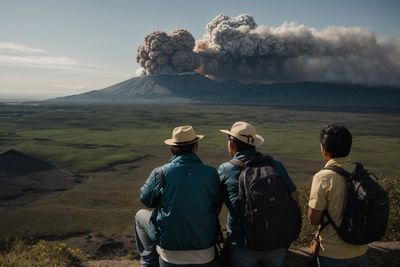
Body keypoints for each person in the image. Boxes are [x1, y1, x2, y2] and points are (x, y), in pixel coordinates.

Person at [135, 125, 221, 267]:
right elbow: (217, 204)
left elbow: (145, 199)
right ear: (195, 146)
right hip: (205, 252)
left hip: (170, 254)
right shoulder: (211, 173)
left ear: (172, 148)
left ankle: (148, 262)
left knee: (140, 216)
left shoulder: (160, 173)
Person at [218, 121, 299, 267]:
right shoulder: (275, 165)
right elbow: (294, 197)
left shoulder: (226, 169)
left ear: (232, 144)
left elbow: (214, 204)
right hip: (276, 241)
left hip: (243, 244)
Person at [308, 124, 368, 267]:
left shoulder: (322, 177)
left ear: (324, 149)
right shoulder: (360, 171)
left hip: (332, 253)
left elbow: (314, 219)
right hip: (360, 248)